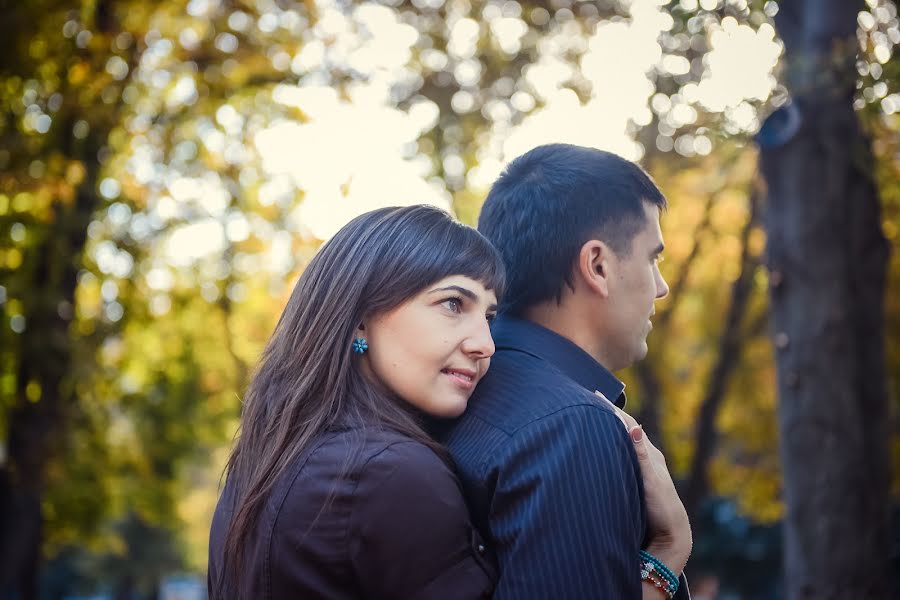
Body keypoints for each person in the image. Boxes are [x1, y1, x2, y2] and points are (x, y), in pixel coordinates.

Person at [433, 143, 693, 599]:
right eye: (653, 258)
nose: (661, 287)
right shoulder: (571, 428)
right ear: (598, 265)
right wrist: (665, 559)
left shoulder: (451, 387)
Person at [208, 205, 505, 599]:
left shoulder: (259, 465)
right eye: (453, 304)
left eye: (489, 316)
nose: (485, 344)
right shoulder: (390, 473)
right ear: (361, 318)